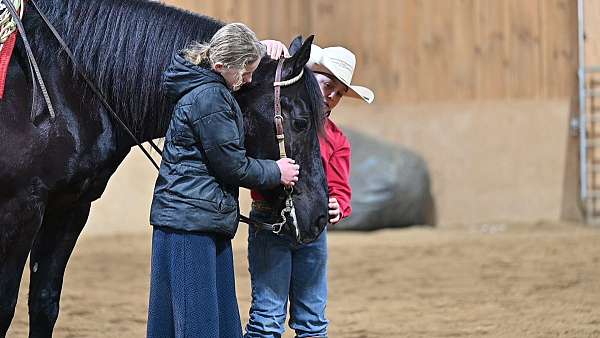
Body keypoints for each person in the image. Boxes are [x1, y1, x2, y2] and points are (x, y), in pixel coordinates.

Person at [146, 23, 296, 338]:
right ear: (220, 66)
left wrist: (263, 49)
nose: (249, 80)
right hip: (190, 225)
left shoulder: (210, 88)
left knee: (206, 325)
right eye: (245, 72)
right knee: (200, 326)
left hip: (197, 219)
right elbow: (233, 166)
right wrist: (276, 171)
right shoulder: (210, 98)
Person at [245, 44, 375, 338]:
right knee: (268, 317)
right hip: (271, 222)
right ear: (306, 79)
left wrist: (339, 205)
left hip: (312, 229)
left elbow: (341, 188)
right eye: (328, 85)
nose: (332, 96)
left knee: (312, 320)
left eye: (340, 93)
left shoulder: (338, 139)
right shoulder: (275, 122)